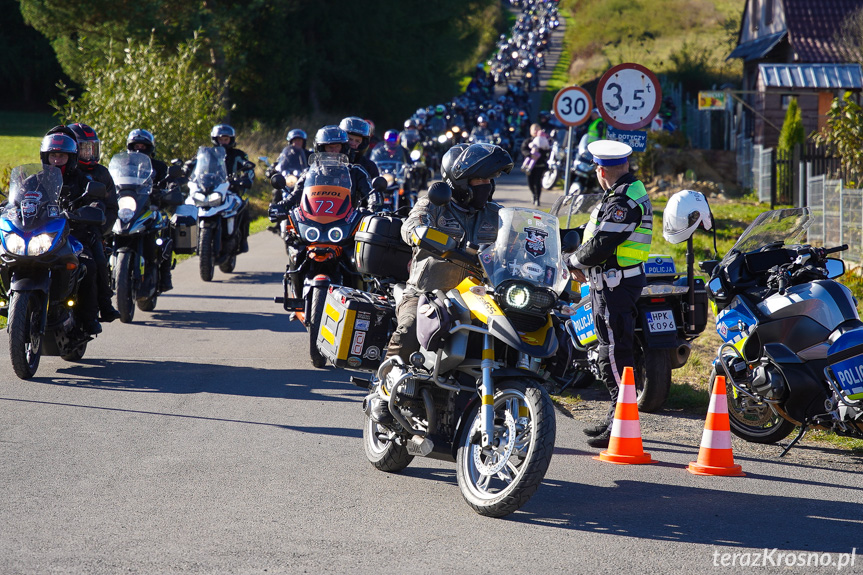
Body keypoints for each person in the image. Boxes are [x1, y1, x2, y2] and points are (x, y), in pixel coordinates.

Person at [368, 143, 513, 422]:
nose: (486, 185)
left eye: (489, 180)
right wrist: (423, 233)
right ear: (459, 183)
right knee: (409, 329)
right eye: (478, 180)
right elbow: (411, 225)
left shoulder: (495, 214)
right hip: (427, 294)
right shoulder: (433, 205)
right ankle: (382, 393)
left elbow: (517, 240)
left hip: (476, 298)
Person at [565, 140, 652, 449]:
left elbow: (603, 242)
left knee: (613, 354)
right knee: (612, 350)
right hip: (613, 281)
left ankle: (622, 420)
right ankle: (618, 413)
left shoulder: (624, 200)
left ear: (601, 170)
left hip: (616, 284)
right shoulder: (624, 193)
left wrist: (573, 261)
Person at [40, 133, 103, 335]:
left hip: (73, 235)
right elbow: (18, 199)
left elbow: (95, 201)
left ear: (71, 158)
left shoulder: (83, 181)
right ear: (45, 157)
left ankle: (88, 317)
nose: (56, 160)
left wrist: (86, 210)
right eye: (52, 156)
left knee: (88, 265)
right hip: (41, 235)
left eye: (62, 156)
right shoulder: (35, 180)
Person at [65, 123, 120, 322]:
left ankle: (105, 305)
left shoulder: (101, 173)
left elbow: (112, 207)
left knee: (98, 262)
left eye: (91, 148)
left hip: (90, 230)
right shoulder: (62, 170)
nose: (89, 154)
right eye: (84, 149)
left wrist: (100, 231)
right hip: (58, 229)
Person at [275, 125, 378, 211]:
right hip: (313, 222)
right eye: (330, 147)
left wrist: (373, 204)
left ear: (343, 148)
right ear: (321, 149)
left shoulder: (356, 171)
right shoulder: (311, 172)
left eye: (337, 146)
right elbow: (296, 194)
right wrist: (281, 205)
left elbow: (370, 192)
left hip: (349, 222)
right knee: (292, 234)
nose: (333, 151)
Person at [126, 129, 180, 291]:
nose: (139, 150)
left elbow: (169, 182)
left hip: (151, 207)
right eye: (136, 146)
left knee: (165, 228)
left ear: (149, 148)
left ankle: (165, 276)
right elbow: (112, 182)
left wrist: (169, 189)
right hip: (127, 209)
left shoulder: (159, 166)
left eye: (143, 146)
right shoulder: (124, 165)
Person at [211, 124, 253, 253]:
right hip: (211, 190)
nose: (223, 142)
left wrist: (246, 177)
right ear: (215, 139)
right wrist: (186, 168)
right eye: (221, 139)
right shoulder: (209, 153)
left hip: (232, 190)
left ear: (231, 140)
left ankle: (243, 239)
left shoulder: (238, 154)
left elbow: (248, 168)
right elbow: (195, 163)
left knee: (243, 208)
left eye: (226, 139)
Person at [521, 123, 550, 206]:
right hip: (530, 167)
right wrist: (530, 155)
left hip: (539, 165)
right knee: (530, 182)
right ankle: (533, 194)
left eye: (537, 129)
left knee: (537, 183)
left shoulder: (543, 140)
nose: (536, 131)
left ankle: (538, 199)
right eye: (534, 129)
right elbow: (523, 149)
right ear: (530, 131)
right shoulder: (528, 141)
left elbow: (547, 150)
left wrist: (541, 151)